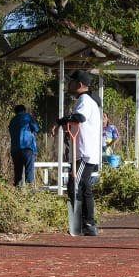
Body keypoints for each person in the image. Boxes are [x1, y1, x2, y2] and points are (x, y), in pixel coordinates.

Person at [53, 70, 103, 236]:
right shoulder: (88, 100)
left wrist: (60, 121)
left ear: (79, 85)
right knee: (82, 186)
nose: (69, 84)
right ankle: (87, 224)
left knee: (77, 185)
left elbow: (79, 117)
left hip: (84, 152)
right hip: (86, 151)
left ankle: (85, 223)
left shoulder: (85, 100)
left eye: (72, 81)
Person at [8, 103, 40, 187]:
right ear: (24, 110)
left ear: (15, 112)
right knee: (29, 171)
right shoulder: (27, 117)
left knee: (18, 172)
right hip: (27, 148)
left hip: (15, 149)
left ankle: (17, 192)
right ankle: (29, 191)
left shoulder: (12, 121)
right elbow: (36, 129)